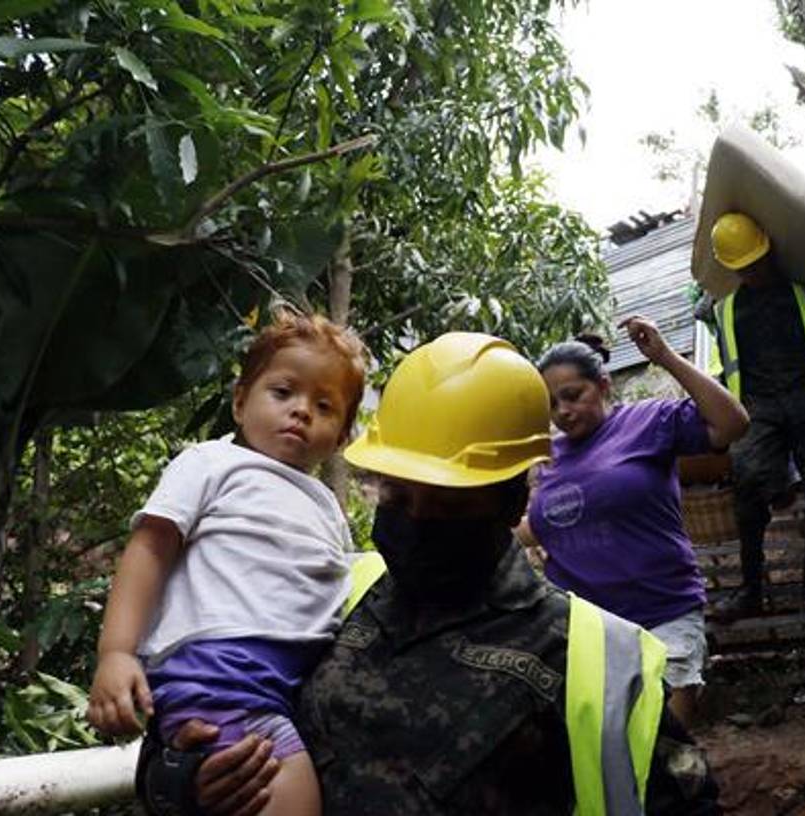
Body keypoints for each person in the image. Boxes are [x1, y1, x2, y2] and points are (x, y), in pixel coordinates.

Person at [133, 331, 721, 816]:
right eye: (396, 493)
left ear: (511, 503)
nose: (415, 519)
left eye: (446, 502)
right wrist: (186, 780)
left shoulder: (592, 658)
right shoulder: (334, 596)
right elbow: (182, 731)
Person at [89, 309, 367, 816]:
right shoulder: (211, 463)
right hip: (222, 677)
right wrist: (117, 653)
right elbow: (150, 548)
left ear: (342, 436)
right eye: (283, 393)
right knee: (292, 797)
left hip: (286, 684)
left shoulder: (326, 505)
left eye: (324, 406)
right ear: (240, 403)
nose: (301, 411)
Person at [522, 318, 748, 727]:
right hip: (585, 634)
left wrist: (664, 357)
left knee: (666, 751)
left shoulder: (648, 422)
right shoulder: (548, 458)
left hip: (662, 615)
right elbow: (543, 526)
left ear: (604, 385)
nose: (564, 412)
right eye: (552, 405)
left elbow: (732, 423)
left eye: (574, 396)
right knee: (603, 757)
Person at [701, 211, 805, 621]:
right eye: (743, 267)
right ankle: (751, 591)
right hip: (759, 408)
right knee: (748, 486)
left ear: (770, 251)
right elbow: (705, 312)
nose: (752, 272)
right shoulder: (725, 309)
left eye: (756, 262)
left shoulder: (804, 292)